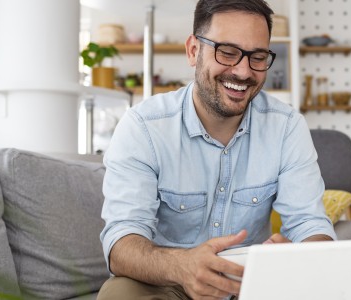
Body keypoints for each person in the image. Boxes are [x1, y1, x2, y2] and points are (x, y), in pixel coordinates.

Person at [97, 0, 336, 299]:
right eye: (227, 52)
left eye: (257, 57)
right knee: (118, 293)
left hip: (252, 283)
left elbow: (309, 223)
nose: (243, 71)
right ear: (193, 51)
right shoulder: (143, 126)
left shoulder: (286, 126)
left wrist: (300, 257)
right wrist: (182, 267)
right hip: (171, 282)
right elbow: (122, 244)